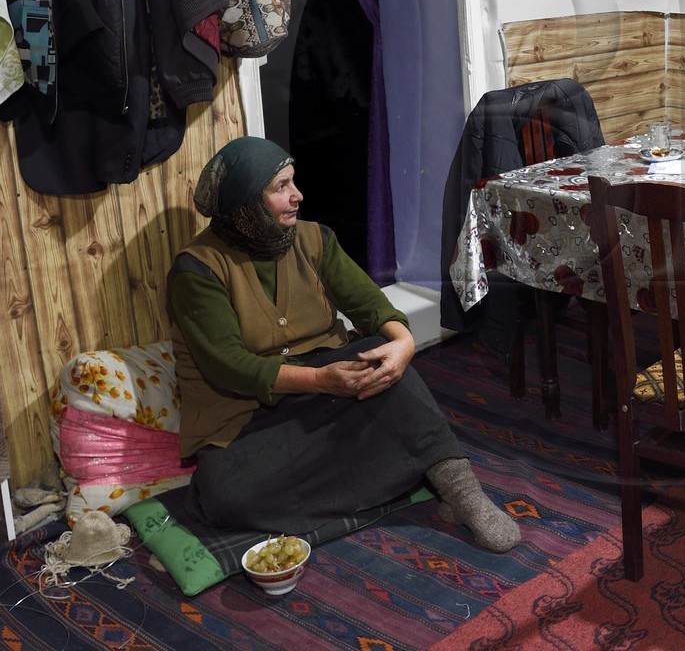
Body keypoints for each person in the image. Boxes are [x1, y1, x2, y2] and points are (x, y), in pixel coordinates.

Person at [167, 136, 520, 552]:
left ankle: (463, 495)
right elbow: (228, 366)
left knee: (390, 373)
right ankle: (397, 470)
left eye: (293, 182)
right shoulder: (197, 271)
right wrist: (319, 381)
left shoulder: (315, 239)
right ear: (246, 202)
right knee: (226, 497)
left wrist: (403, 344)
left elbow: (371, 306)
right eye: (280, 187)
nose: (297, 196)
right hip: (248, 414)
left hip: (327, 387)